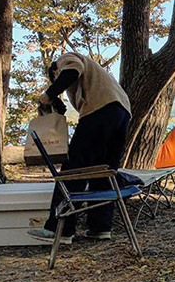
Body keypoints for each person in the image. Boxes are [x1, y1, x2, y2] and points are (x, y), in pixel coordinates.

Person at [28, 52, 131, 245]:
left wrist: (48, 95)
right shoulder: (97, 77)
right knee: (103, 171)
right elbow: (66, 100)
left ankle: (59, 229)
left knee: (73, 170)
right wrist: (56, 101)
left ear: (55, 71)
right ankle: (100, 227)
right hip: (122, 113)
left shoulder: (65, 59)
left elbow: (72, 70)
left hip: (98, 112)